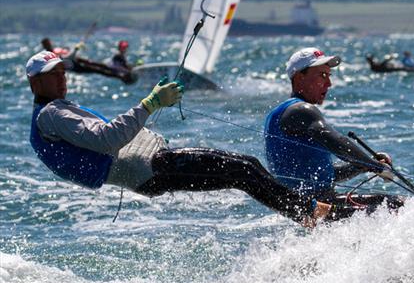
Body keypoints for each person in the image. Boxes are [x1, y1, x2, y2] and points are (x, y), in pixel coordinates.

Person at [26, 50, 325, 226]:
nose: (61, 79)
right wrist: (150, 103)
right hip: (150, 170)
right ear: (35, 82)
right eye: (53, 75)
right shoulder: (51, 115)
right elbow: (107, 139)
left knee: (246, 168)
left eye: (63, 72)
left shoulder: (55, 111)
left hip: (153, 166)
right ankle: (312, 213)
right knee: (243, 170)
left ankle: (310, 211)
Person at [264, 47, 404, 220]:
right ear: (300, 77)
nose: (329, 83)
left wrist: (364, 165)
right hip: (316, 209)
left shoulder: (284, 112)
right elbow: (337, 143)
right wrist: (376, 167)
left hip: (313, 209)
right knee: (396, 206)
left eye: (329, 76)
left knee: (391, 203)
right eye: (322, 75)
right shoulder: (300, 110)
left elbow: (327, 174)